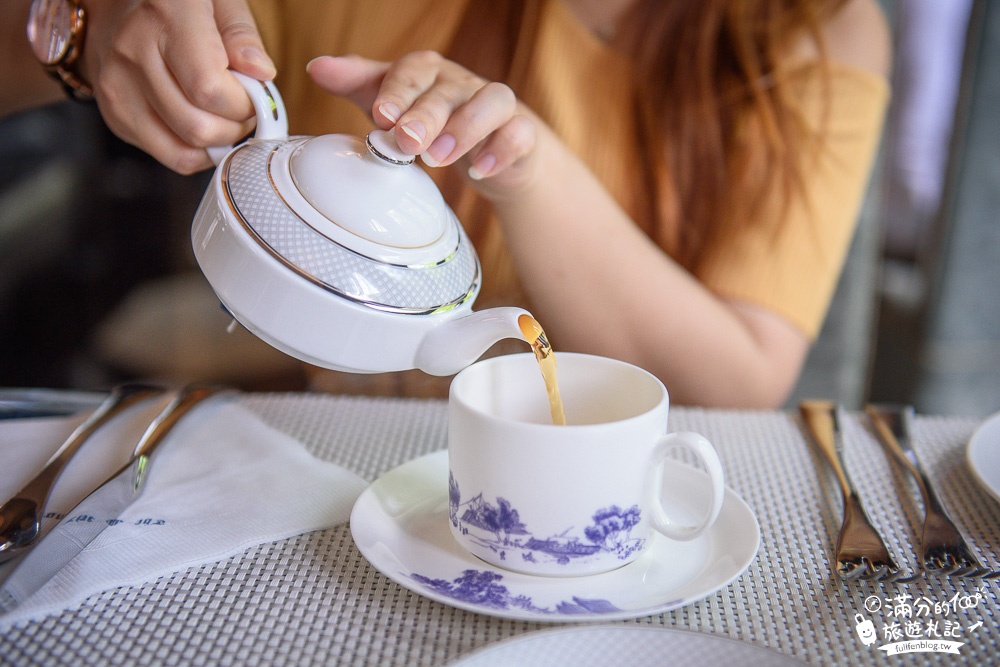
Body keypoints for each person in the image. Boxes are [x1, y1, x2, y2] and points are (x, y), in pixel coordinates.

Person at [9, 0, 890, 408]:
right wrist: (83, 27)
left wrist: (527, 170)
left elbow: (731, 383)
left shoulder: (814, 31)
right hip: (323, 467)